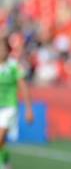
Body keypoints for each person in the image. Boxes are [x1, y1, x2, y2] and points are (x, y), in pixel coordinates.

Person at [0, 37, 34, 168]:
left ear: (8, 50)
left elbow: (23, 87)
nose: (1, 51)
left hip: (9, 107)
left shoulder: (13, 66)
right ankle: (6, 162)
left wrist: (29, 109)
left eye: (3, 48)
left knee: (0, 138)